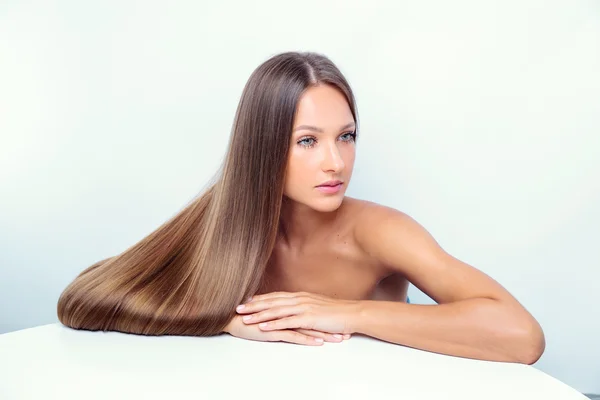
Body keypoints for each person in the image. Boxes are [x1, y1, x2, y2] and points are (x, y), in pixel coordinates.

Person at [57, 51, 545, 364]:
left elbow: (521, 335)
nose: (335, 162)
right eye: (307, 141)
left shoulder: (378, 232)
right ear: (264, 146)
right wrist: (223, 319)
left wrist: (346, 313)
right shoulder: (224, 221)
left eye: (346, 137)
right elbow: (83, 298)